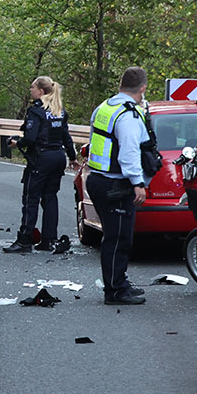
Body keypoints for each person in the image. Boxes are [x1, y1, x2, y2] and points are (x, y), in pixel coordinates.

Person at [86, 66, 152, 304]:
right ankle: (115, 291)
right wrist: (138, 183)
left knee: (115, 235)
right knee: (118, 238)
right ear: (142, 89)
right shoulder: (128, 115)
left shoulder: (105, 107)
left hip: (97, 178)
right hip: (115, 184)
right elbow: (129, 152)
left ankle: (119, 282)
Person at [4, 76, 79, 253]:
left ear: (41, 91)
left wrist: (17, 144)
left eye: (32, 88)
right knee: (50, 197)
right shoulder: (59, 110)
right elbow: (66, 137)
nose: (30, 90)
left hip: (42, 159)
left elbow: (30, 138)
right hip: (58, 157)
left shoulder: (36, 112)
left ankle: (24, 240)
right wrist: (73, 157)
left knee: (31, 199)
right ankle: (49, 239)